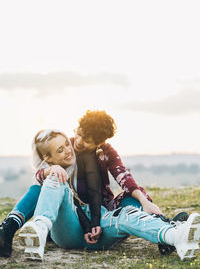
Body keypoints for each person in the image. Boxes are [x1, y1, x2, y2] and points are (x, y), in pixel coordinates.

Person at [0, 110, 188, 257]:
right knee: (50, 180)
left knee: (133, 202)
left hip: (102, 212)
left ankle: (168, 232)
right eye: (78, 134)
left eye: (87, 141)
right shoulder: (64, 147)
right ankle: (13, 228)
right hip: (70, 218)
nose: (77, 143)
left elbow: (125, 179)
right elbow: (39, 177)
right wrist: (51, 170)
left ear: (100, 143)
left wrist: (145, 202)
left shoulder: (105, 153)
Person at [0, 129, 102, 257]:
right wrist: (50, 170)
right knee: (47, 181)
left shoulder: (81, 160)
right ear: (47, 158)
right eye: (60, 150)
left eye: (66, 143)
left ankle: (9, 228)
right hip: (57, 228)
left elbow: (92, 195)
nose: (68, 150)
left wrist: (90, 226)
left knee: (53, 178)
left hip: (77, 224)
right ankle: (8, 229)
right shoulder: (50, 169)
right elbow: (39, 175)